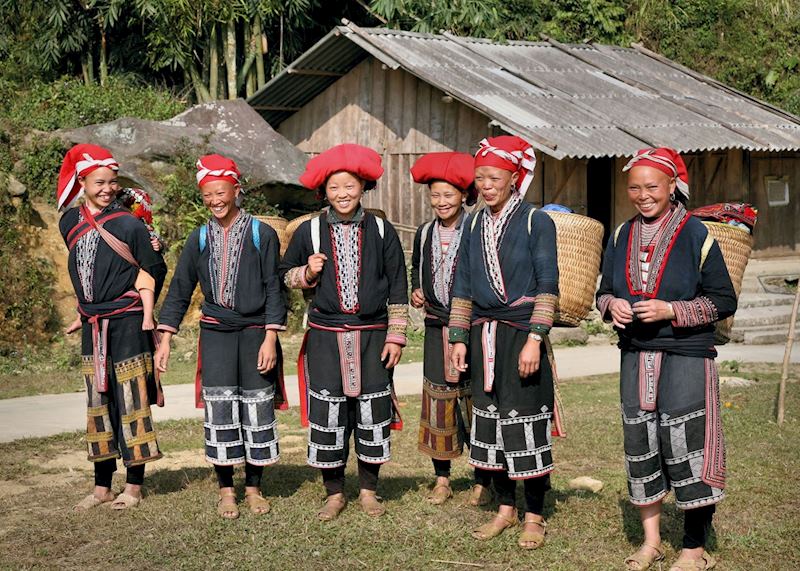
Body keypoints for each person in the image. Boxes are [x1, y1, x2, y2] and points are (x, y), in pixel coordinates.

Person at [595, 148, 736, 571]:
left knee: (688, 446)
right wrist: (612, 305)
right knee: (641, 446)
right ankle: (652, 541)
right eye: (634, 187)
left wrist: (671, 309)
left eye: (652, 186)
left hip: (686, 357)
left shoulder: (696, 234)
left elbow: (724, 300)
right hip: (636, 356)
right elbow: (602, 290)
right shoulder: (621, 234)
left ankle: (694, 547)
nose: (643, 195)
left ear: (672, 186)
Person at [279, 143, 409, 521]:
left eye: (350, 185)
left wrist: (396, 335)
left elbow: (398, 284)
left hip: (373, 335)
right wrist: (308, 272)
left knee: (371, 411)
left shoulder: (383, 230)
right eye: (335, 187)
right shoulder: (309, 231)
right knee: (330, 412)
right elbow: (285, 275)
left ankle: (369, 490)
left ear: (363, 186)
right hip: (325, 336)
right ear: (324, 192)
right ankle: (334, 493)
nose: (343, 194)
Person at [154, 154, 287, 520]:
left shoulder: (262, 234)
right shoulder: (198, 238)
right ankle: (226, 489)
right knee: (221, 409)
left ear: (236, 190)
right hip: (215, 333)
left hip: (256, 332)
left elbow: (274, 288)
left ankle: (254, 487)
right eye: (208, 195)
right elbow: (180, 289)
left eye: (221, 192)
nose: (215, 200)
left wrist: (271, 337)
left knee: (257, 407)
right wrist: (165, 337)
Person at [448, 135, 563, 550]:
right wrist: (459, 337)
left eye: (494, 177)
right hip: (483, 336)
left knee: (526, 421)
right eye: (480, 178)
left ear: (514, 178)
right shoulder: (474, 223)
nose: (486, 186)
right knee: (491, 422)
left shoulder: (537, 221)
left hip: (520, 334)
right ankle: (504, 508)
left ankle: (534, 514)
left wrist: (535, 338)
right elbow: (462, 283)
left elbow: (548, 284)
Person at [57, 143, 167, 510]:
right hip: (93, 324)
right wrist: (82, 307)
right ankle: (101, 485)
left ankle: (134, 486)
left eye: (112, 182)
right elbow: (81, 269)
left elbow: (153, 268)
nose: (106, 188)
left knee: (131, 399)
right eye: (98, 182)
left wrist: (147, 309)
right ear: (82, 182)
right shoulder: (68, 222)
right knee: (97, 401)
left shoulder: (129, 224)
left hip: (128, 321)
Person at [409, 152, 491, 506]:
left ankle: (483, 478)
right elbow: (417, 267)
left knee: (475, 402)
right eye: (435, 196)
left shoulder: (477, 228)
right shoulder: (425, 232)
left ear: (463, 196)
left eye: (449, 195)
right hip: (433, 327)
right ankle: (441, 478)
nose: (441, 202)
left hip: (470, 327)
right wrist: (417, 287)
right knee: (438, 402)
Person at [66, 187, 162, 334]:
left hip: (134, 269)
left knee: (145, 283)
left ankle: (148, 316)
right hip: (104, 278)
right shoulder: (113, 222)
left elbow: (153, 246)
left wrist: (158, 244)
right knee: (85, 281)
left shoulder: (138, 226)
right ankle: (81, 316)